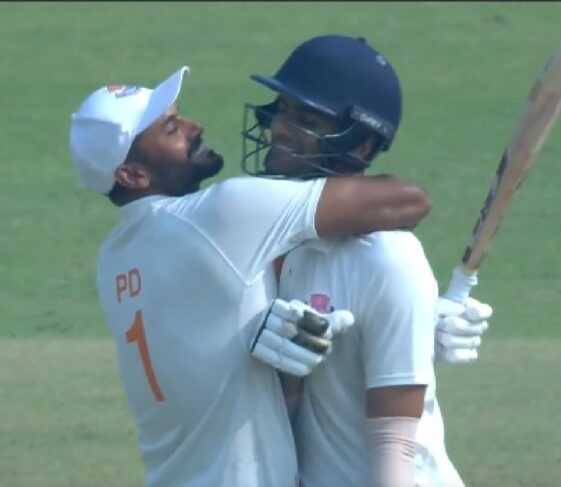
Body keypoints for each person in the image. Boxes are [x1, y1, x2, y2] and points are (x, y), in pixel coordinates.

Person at [68, 65, 433, 487]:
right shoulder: (221, 214)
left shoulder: (114, 260)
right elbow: (406, 201)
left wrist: (421, 317)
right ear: (133, 175)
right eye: (171, 128)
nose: (194, 127)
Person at [241, 35, 493, 486]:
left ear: (360, 145)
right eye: (281, 110)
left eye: (305, 119)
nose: (279, 128)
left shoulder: (389, 261)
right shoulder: (269, 242)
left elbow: (396, 442)